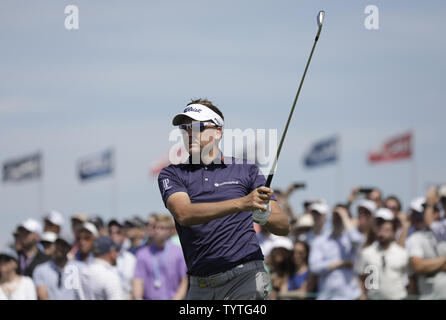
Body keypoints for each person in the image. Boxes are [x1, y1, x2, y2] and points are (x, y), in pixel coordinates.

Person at [158, 99, 289, 300]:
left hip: (244, 278)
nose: (189, 133)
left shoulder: (247, 170)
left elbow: (283, 226)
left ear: (218, 132)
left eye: (198, 127)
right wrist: (242, 203)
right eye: (185, 128)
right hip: (199, 286)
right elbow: (184, 214)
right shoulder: (173, 174)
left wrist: (264, 215)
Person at [309, 204, 362, 300]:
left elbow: (357, 240)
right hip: (326, 296)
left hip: (349, 296)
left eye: (340, 216)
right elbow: (314, 267)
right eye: (335, 215)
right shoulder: (320, 240)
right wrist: (339, 263)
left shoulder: (350, 239)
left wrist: (345, 217)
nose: (338, 218)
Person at [355, 208, 409, 300]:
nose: (382, 232)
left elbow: (410, 279)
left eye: (386, 229)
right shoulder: (366, 252)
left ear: (393, 231)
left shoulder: (402, 253)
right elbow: (360, 278)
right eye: (379, 227)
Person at [133, 215, 188, 300]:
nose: (157, 231)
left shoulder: (179, 252)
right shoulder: (142, 253)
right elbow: (138, 279)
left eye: (162, 228)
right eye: (155, 227)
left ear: (170, 231)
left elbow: (184, 282)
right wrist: (138, 298)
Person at [406, 195, 446, 300]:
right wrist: (443, 260)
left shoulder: (443, 233)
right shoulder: (414, 238)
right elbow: (419, 266)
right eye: (415, 215)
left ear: (437, 212)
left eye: (420, 215)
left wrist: (430, 265)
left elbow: (424, 265)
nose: (418, 219)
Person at [108, 219, 136, 299]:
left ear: (124, 236)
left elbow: (136, 287)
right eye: (111, 232)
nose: (114, 235)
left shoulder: (131, 259)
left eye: (118, 232)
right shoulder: (100, 260)